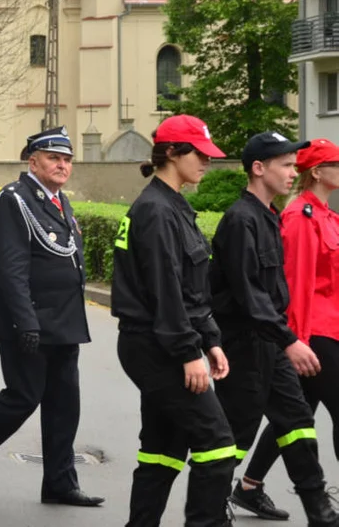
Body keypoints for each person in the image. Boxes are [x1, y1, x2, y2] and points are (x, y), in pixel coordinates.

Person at [111, 115, 237, 527]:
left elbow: (190, 289)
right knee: (217, 445)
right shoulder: (156, 212)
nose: (207, 162)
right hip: (156, 345)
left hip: (159, 341)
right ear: (171, 153)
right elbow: (166, 293)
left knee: (163, 449)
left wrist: (211, 340)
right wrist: (189, 352)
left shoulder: (173, 205)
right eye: (199, 154)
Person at [0, 127, 102, 507]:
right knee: (21, 399)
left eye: (67, 159)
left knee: (64, 405)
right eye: (54, 158)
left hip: (64, 322)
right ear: (33, 161)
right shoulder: (14, 199)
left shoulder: (58, 201)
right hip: (28, 323)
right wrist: (26, 321)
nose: (62, 165)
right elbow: (10, 268)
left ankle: (59, 482)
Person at [209, 132, 339, 526]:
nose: (292, 170)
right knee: (237, 436)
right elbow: (251, 296)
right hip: (247, 344)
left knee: (298, 424)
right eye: (285, 164)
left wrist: (285, 339)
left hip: (274, 341)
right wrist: (293, 339)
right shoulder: (241, 220)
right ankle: (211, 507)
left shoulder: (266, 217)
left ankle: (320, 512)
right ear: (258, 168)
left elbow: (273, 292)